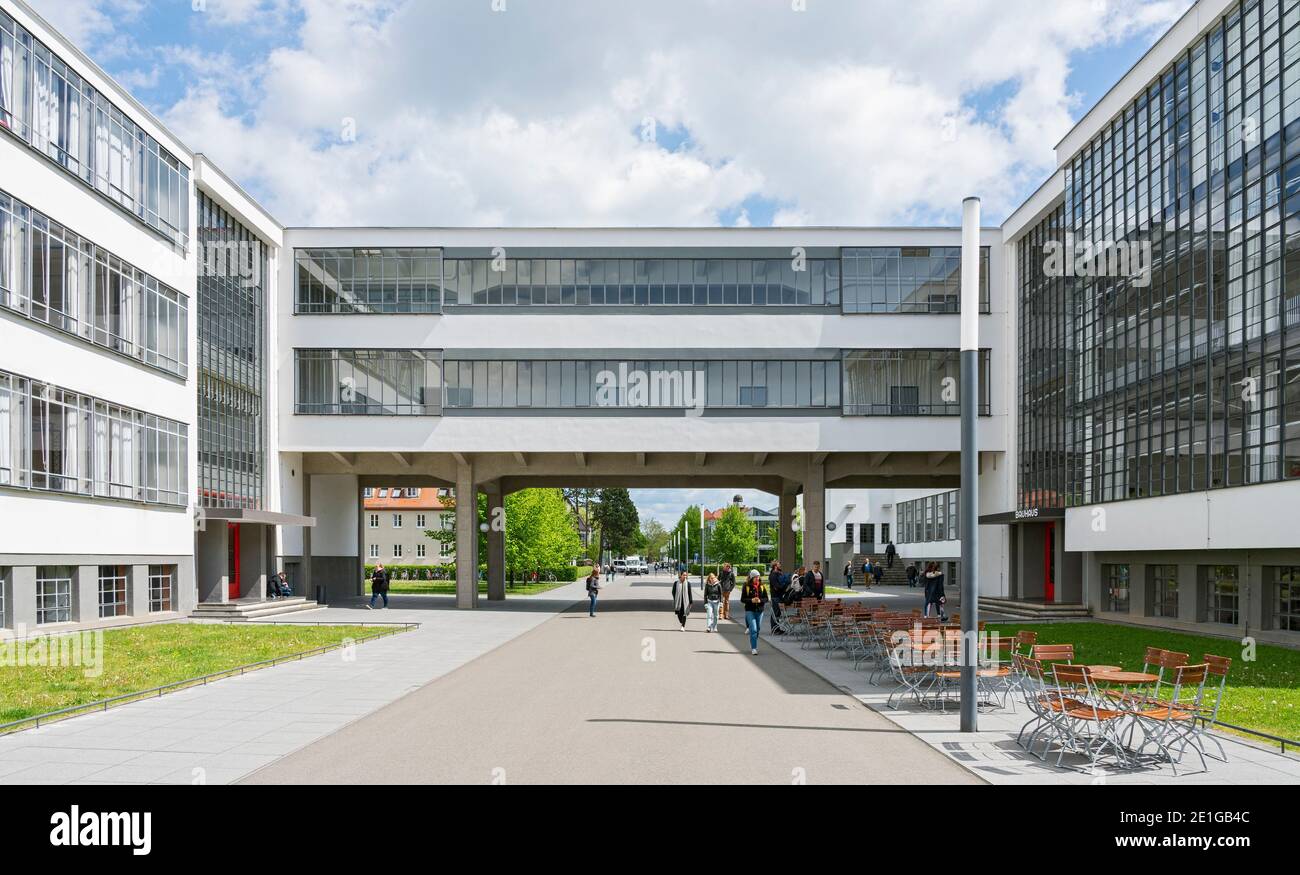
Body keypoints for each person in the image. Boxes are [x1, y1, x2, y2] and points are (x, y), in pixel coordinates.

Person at [740, 569, 768, 655]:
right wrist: (751, 600)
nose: (757, 578)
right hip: (750, 610)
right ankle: (754, 648)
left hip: (759, 610)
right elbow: (742, 599)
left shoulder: (762, 586)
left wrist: (760, 600)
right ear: (751, 578)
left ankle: (754, 641)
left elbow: (766, 599)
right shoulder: (746, 586)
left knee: (758, 629)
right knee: (753, 629)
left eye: (758, 577)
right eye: (755, 577)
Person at [768, 561, 786, 634]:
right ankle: (774, 630)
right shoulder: (773, 575)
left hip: (779, 596)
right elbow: (776, 587)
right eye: (779, 564)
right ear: (775, 566)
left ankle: (778, 628)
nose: (780, 565)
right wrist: (783, 585)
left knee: (778, 613)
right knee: (775, 614)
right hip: (775, 596)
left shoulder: (778, 574)